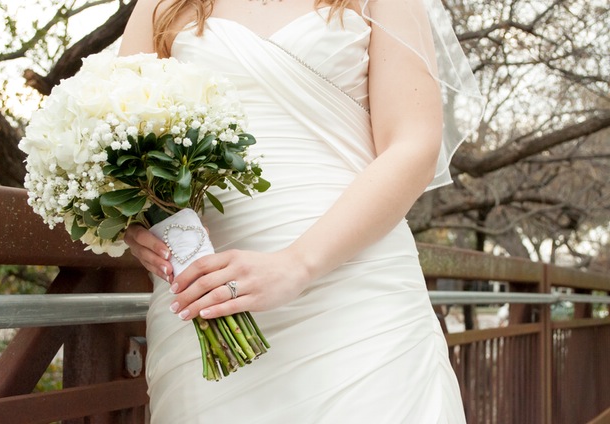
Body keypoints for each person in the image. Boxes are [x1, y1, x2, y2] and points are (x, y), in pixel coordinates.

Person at [119, 0, 482, 422]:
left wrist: (297, 264)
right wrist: (135, 220)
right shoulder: (161, 5)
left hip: (358, 293)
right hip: (208, 300)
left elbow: (413, 145)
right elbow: (120, 135)